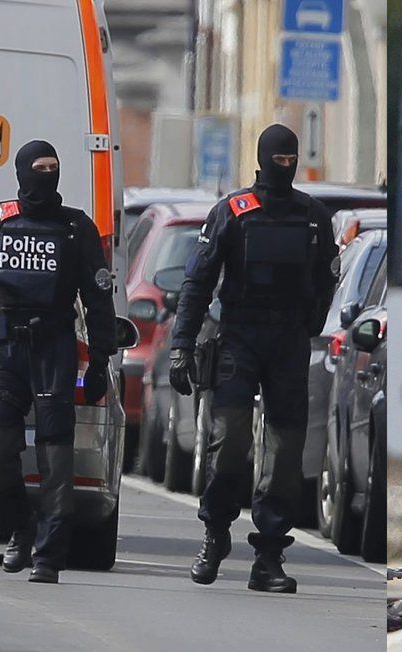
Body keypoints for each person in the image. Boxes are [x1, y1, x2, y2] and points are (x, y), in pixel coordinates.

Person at [169, 123, 338, 593]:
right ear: (263, 159)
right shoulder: (233, 212)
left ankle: (269, 556)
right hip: (239, 339)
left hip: (288, 343)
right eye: (278, 159)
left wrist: (310, 324)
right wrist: (181, 347)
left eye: (291, 159)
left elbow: (326, 278)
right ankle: (215, 534)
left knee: (285, 456)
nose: (285, 167)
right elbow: (198, 284)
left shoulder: (312, 216)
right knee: (230, 446)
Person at [0, 140, 117, 584]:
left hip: (55, 350)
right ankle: (20, 529)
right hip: (5, 350)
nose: (48, 175)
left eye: (54, 168)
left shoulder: (75, 228)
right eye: (39, 168)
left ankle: (49, 554)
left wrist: (100, 359)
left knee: (56, 462)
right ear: (23, 172)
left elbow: (98, 298)